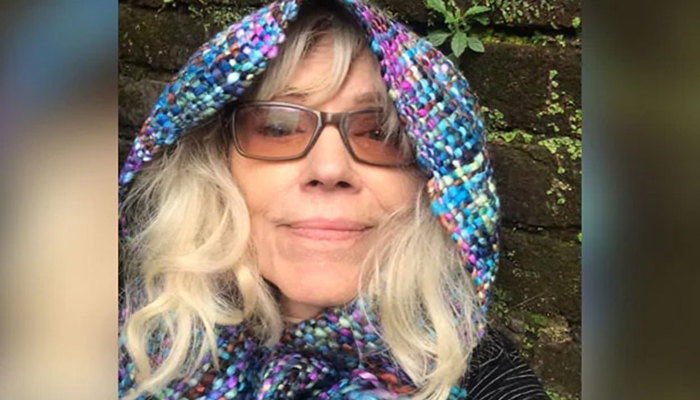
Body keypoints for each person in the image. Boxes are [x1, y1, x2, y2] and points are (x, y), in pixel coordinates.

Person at [118, 0, 550, 399]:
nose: (328, 169)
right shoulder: (139, 345)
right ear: (216, 161)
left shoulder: (491, 383)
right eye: (278, 127)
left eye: (379, 132)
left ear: (432, 181)